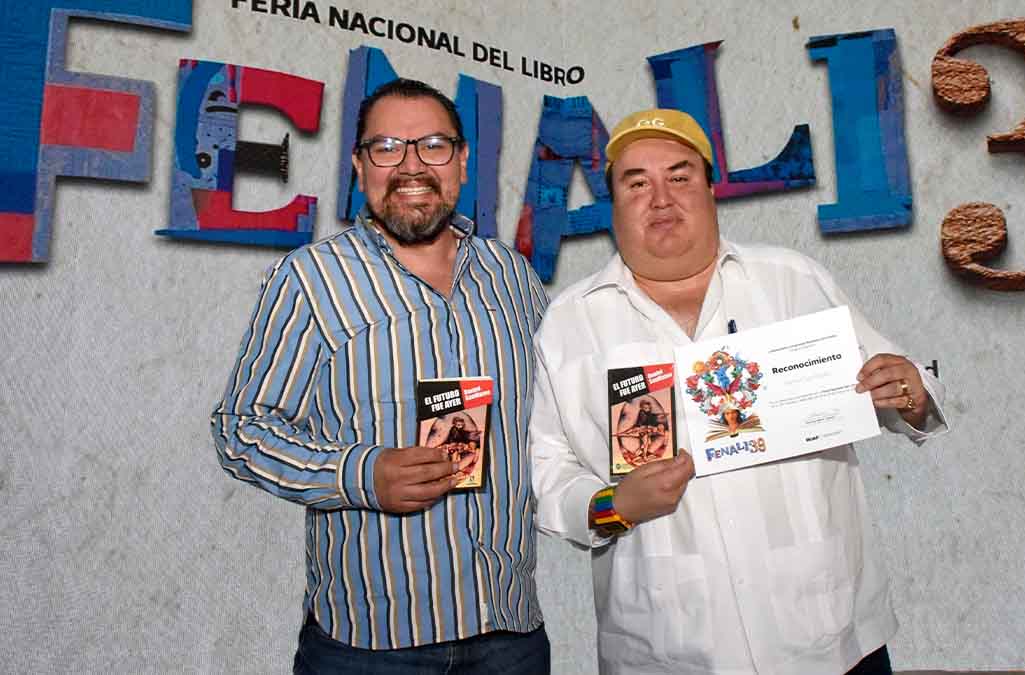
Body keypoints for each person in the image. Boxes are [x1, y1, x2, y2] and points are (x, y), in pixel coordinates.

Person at [530, 109, 949, 675]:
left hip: (829, 638)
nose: (661, 198)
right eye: (637, 183)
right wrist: (613, 506)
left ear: (709, 189)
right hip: (666, 652)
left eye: (679, 177)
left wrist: (910, 390)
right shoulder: (569, 323)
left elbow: (905, 392)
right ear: (613, 204)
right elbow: (549, 472)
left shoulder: (792, 281)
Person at [211, 78, 550, 674]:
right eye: (387, 147)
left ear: (462, 161)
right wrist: (361, 473)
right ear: (359, 164)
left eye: (434, 146)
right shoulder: (310, 279)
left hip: (510, 633)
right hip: (368, 645)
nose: (411, 166)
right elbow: (240, 430)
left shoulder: (512, 276)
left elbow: (554, 415)